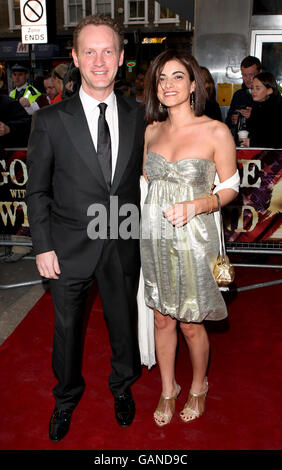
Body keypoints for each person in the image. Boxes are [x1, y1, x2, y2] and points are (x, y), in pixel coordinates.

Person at [26, 14, 144, 442]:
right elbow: (36, 190)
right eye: (89, 51)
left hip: (122, 241)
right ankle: (66, 398)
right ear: (74, 58)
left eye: (108, 50)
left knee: (123, 323)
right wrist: (42, 245)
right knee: (67, 332)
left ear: (121, 57)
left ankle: (122, 386)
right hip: (67, 246)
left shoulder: (138, 116)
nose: (99, 60)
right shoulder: (51, 121)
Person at [140, 48, 239, 427]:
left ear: (194, 84)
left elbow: (230, 189)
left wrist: (197, 205)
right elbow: (145, 184)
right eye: (161, 78)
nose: (168, 84)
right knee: (162, 320)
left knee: (190, 323)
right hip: (154, 238)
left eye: (177, 76)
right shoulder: (151, 130)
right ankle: (169, 388)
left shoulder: (216, 130)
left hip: (196, 240)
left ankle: (199, 384)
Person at [239, 71, 282, 149]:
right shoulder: (257, 106)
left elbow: (277, 140)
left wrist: (252, 142)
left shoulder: (278, 108)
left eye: (257, 88)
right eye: (252, 88)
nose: (253, 91)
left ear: (269, 90)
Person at [225, 56, 262, 132]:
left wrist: (253, 116)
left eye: (252, 75)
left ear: (260, 72)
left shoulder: (267, 94)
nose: (248, 79)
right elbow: (227, 122)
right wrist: (233, 119)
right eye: (244, 75)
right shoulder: (238, 95)